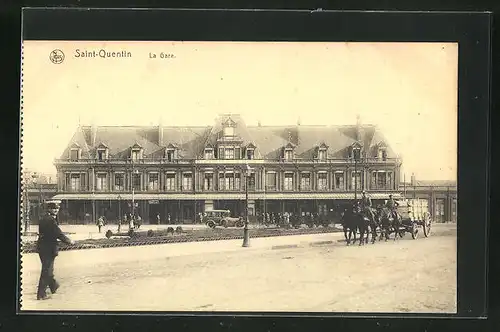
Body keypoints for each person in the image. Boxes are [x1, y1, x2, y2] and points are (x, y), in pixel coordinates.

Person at [36, 200, 74, 300]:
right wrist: (69, 241)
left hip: (42, 247)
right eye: (54, 208)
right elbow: (58, 233)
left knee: (48, 269)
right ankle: (41, 294)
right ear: (49, 209)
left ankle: (53, 286)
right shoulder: (51, 220)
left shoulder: (43, 218)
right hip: (48, 248)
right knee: (47, 271)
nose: (56, 210)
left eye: (57, 208)